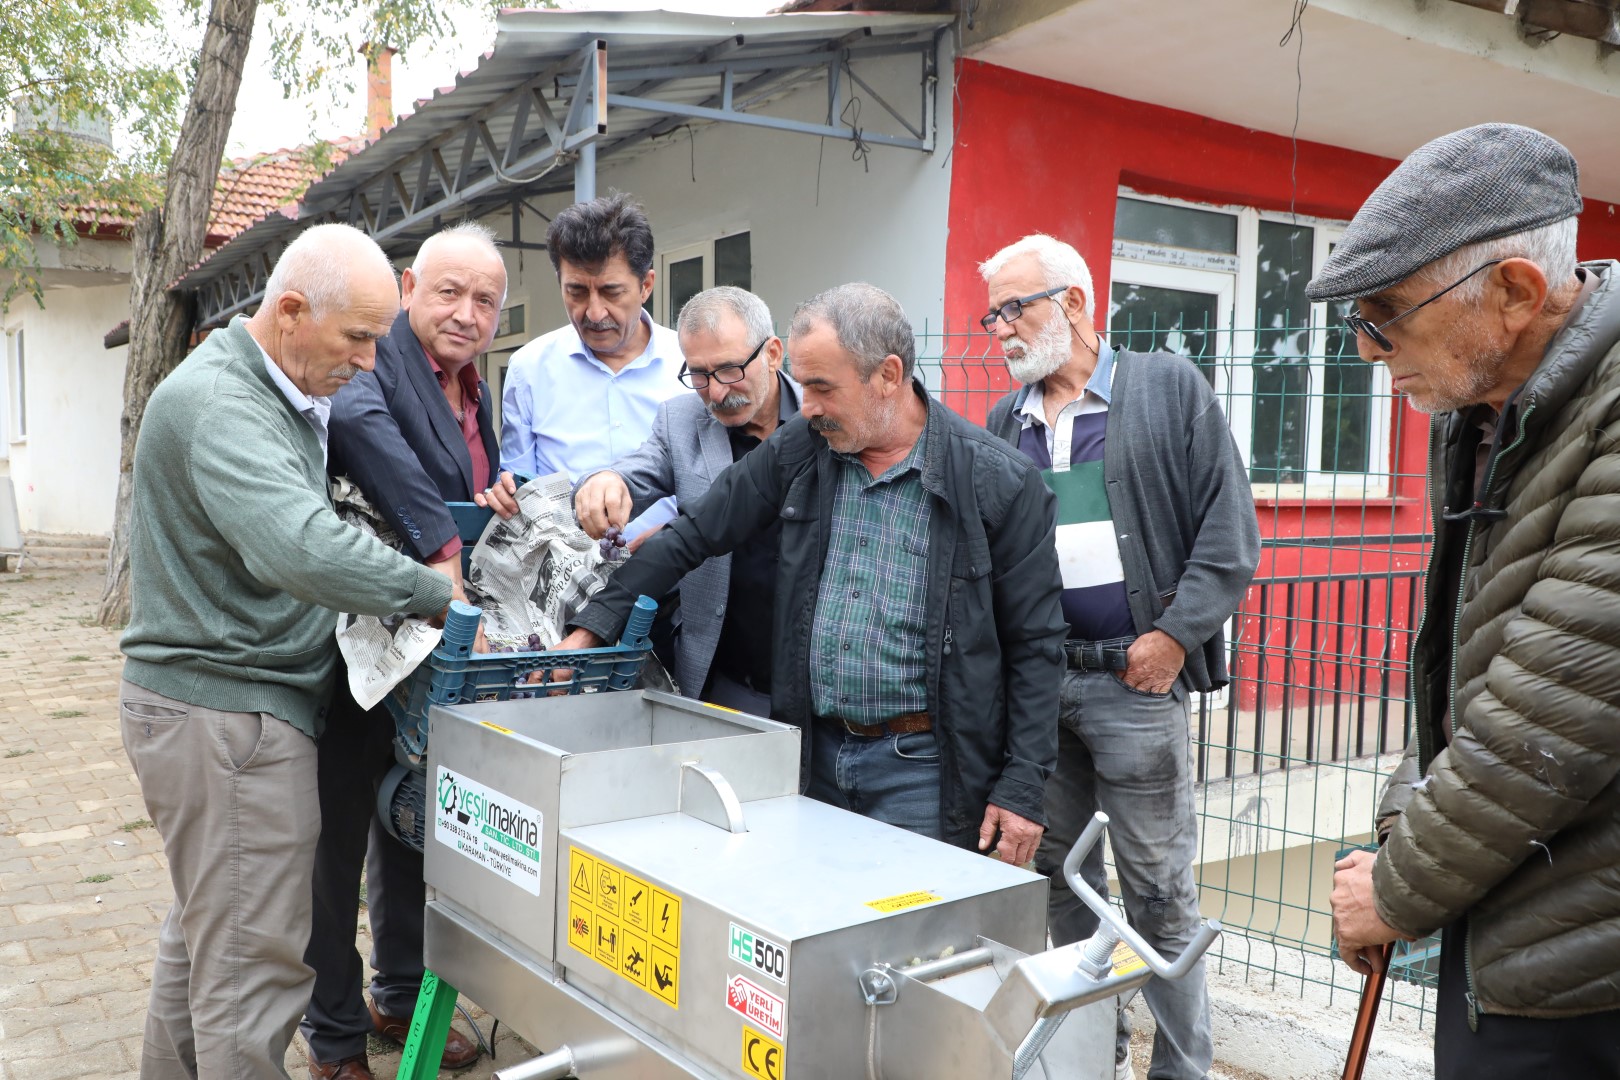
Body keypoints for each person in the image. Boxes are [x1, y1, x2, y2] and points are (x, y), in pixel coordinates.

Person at [556, 282, 1066, 861]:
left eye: (823, 387)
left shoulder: (997, 482)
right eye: (805, 384)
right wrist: (595, 623)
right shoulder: (805, 446)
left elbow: (1035, 644)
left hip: (923, 770)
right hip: (812, 753)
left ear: (888, 375)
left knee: (905, 938)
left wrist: (1022, 786)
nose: (810, 405)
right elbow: (698, 533)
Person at [118, 223, 457, 1080]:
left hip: (216, 712)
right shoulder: (225, 405)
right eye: (359, 338)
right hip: (229, 719)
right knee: (254, 970)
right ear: (293, 311)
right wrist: (432, 594)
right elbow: (301, 546)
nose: (372, 363)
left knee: (209, 942)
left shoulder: (267, 392)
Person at [1323, 124, 1620, 1078]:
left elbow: (1551, 715)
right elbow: (1466, 661)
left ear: (1517, 294)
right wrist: (1399, 825)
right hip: (1513, 911)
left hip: (1590, 962)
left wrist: (1400, 888)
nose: (1371, 351)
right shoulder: (1488, 407)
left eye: (1387, 317)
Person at [981, 234, 1260, 1080]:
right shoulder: (1006, 421)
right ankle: (1087, 1060)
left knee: (1158, 896)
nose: (997, 329)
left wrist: (1175, 637)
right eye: (990, 313)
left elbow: (1230, 528)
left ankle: (1181, 1071)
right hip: (1040, 687)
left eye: (1011, 308)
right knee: (1065, 887)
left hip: (1134, 686)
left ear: (1073, 302)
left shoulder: (1167, 388)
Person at [300, 222, 520, 1080]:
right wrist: (440, 546)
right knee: (342, 836)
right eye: (449, 292)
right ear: (406, 287)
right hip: (364, 639)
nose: (467, 314)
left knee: (408, 823)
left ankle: (400, 993)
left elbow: (453, 484)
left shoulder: (474, 388)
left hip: (430, 648)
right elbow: (356, 424)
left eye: (486, 300)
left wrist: (489, 497)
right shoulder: (380, 357)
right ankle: (334, 1036)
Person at [572, 286, 801, 713]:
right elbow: (635, 472)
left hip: (816, 680)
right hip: (727, 679)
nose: (715, 393)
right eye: (698, 375)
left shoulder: (821, 417)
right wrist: (605, 482)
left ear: (772, 353)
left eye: (730, 370)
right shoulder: (681, 421)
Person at [500, 192, 684, 542]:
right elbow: (518, 491)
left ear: (646, 285)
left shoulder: (689, 366)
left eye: (611, 292)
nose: (594, 313)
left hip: (678, 579)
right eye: (577, 292)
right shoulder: (529, 370)